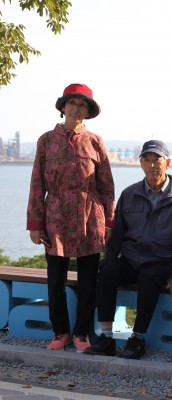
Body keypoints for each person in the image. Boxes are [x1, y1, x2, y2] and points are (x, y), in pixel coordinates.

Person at [84, 140, 172, 360]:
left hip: (161, 261)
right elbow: (117, 233)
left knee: (149, 279)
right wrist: (109, 260)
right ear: (141, 163)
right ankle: (106, 338)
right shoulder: (129, 194)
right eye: (147, 160)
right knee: (107, 272)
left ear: (167, 163)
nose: (152, 165)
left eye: (157, 160)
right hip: (132, 258)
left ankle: (137, 338)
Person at [26, 83, 115, 353]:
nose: (77, 109)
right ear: (63, 107)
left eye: (82, 105)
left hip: (90, 217)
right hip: (56, 215)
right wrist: (35, 223)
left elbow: (107, 186)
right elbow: (37, 183)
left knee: (88, 280)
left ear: (88, 111)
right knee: (56, 280)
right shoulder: (46, 140)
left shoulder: (95, 142)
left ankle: (81, 333)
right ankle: (61, 331)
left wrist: (110, 222)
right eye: (72, 103)